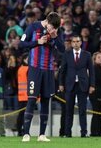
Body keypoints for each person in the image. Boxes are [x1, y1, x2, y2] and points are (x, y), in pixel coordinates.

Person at [19, 12, 65, 142]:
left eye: (56, 28)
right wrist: (37, 42)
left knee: (46, 100)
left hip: (49, 70)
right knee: (32, 99)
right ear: (47, 21)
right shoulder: (33, 27)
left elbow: (62, 50)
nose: (53, 29)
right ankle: (26, 133)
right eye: (52, 27)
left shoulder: (56, 32)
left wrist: (55, 37)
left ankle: (42, 135)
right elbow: (21, 44)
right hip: (34, 69)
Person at [59, 35, 95, 137]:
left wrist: (92, 85)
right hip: (69, 85)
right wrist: (61, 84)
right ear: (71, 43)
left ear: (81, 43)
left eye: (77, 41)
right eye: (73, 41)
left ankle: (84, 133)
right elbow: (63, 70)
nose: (75, 43)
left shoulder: (87, 55)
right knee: (68, 110)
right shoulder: (67, 54)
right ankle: (67, 133)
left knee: (82, 110)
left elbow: (91, 71)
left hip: (82, 85)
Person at [89, 52, 101, 137]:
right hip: (95, 94)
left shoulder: (100, 69)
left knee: (99, 113)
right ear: (94, 60)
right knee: (96, 113)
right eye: (98, 57)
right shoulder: (94, 68)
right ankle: (94, 132)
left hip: (100, 93)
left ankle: (98, 131)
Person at [16, 53, 29, 136]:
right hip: (27, 96)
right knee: (26, 115)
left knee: (21, 115)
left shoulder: (20, 69)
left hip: (21, 95)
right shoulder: (29, 69)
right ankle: (24, 131)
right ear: (24, 59)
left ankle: (20, 130)